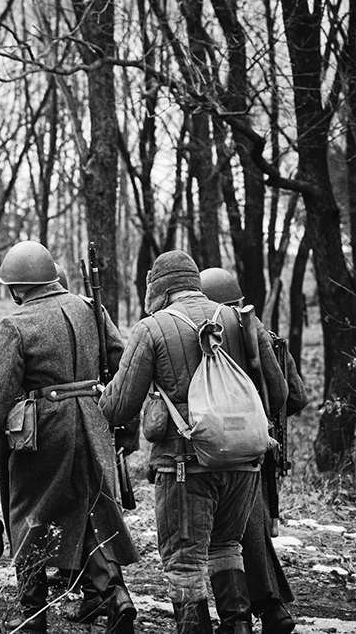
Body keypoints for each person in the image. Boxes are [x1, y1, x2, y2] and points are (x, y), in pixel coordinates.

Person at [100, 251, 287, 634]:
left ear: (159, 287)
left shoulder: (152, 329)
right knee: (227, 549)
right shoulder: (240, 319)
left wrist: (103, 394)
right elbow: (280, 394)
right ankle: (238, 627)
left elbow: (119, 407)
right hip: (244, 460)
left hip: (185, 464)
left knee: (185, 561)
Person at [0, 241, 138, 634]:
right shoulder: (88, 308)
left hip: (42, 431)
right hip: (92, 422)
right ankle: (116, 598)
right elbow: (122, 366)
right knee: (89, 511)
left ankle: (32, 614)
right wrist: (125, 430)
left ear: (16, 287)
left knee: (28, 514)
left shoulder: (16, 324)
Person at [200, 267, 307, 634]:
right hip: (264, 445)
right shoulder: (269, 336)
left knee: (237, 534)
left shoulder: (213, 338)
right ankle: (267, 611)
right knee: (250, 530)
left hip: (229, 448)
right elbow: (295, 397)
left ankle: (257, 612)